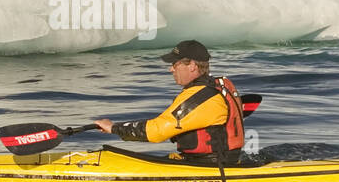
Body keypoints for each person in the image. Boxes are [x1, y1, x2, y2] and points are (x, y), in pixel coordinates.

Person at [94, 40, 246, 167]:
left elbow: (156, 131)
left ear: (192, 66)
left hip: (209, 168)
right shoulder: (219, 86)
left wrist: (114, 128)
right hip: (207, 162)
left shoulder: (203, 97)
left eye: (175, 64)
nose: (170, 69)